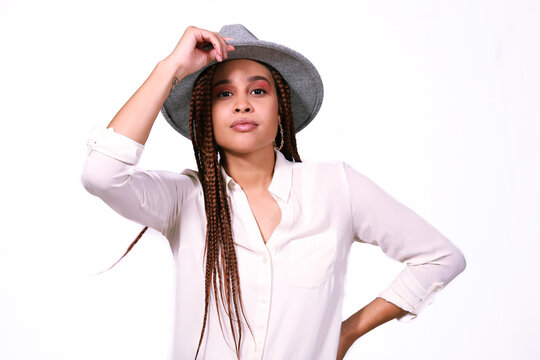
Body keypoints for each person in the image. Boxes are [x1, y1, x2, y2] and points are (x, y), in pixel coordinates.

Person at [81, 24, 466, 360]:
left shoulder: (335, 188)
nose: (243, 105)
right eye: (224, 94)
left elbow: (439, 257)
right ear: (205, 116)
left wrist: (346, 334)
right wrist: (170, 69)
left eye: (259, 91)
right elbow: (102, 173)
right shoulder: (183, 199)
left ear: (281, 110)